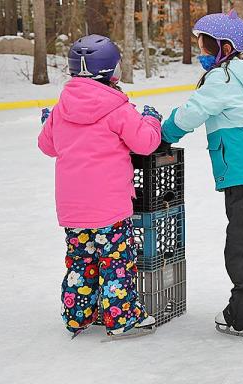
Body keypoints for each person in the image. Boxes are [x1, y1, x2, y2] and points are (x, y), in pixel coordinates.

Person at [160, 10, 243, 338]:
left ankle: (242, 316)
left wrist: (163, 134)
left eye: (206, 47)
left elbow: (193, 112)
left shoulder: (223, 77)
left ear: (224, 46)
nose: (203, 54)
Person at [38, 34, 162, 339]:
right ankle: (121, 319)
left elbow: (47, 146)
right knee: (116, 262)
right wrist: (151, 120)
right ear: (111, 71)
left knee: (81, 260)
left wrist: (48, 123)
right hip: (110, 208)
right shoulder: (118, 108)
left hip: (73, 209)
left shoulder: (60, 109)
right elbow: (145, 144)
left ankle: (78, 315)